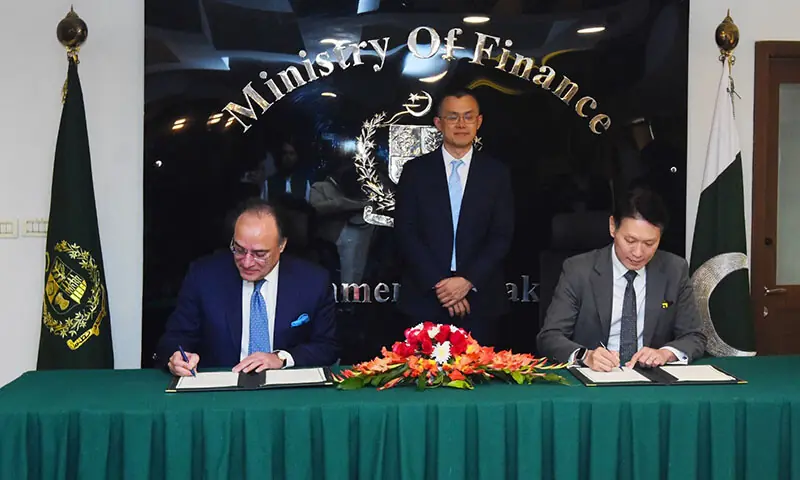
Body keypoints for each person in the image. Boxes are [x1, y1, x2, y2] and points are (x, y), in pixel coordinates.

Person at [156, 199, 337, 376]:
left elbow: (327, 346)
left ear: (281, 245)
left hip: (286, 391)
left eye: (260, 254)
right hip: (221, 392)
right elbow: (174, 339)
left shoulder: (312, 281)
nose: (247, 262)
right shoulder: (204, 277)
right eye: (239, 249)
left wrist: (281, 358)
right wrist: (177, 357)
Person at [537, 187, 706, 371]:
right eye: (630, 241)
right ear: (612, 227)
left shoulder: (674, 270)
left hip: (651, 380)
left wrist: (665, 353)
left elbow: (694, 336)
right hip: (595, 379)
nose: (638, 253)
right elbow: (550, 337)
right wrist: (585, 356)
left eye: (649, 243)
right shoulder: (579, 270)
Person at [394, 90, 514, 344]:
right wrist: (443, 286)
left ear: (479, 122)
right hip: (425, 297)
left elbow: (501, 235)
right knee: (422, 378)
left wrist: (467, 281)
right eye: (453, 117)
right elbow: (406, 232)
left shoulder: (497, 173)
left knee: (481, 380)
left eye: (468, 117)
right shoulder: (415, 172)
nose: (461, 124)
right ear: (438, 123)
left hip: (480, 301)